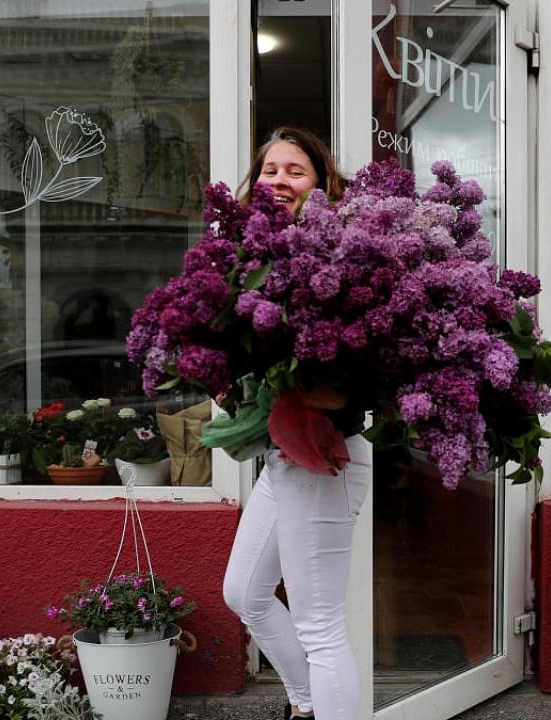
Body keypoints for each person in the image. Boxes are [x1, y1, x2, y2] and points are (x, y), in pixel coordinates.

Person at [222, 128, 368, 720]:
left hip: (326, 456)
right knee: (245, 594)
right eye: (269, 170)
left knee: (319, 625)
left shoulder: (345, 253)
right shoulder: (248, 255)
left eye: (295, 171)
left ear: (322, 183)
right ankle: (305, 704)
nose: (278, 180)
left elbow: (363, 372)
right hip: (283, 458)